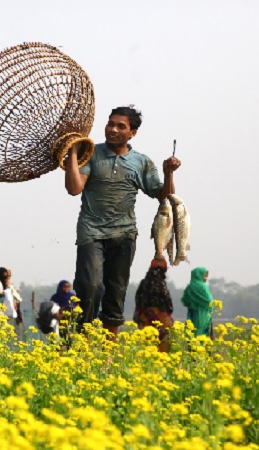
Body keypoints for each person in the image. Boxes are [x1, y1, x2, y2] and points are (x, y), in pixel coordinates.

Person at [64, 105, 181, 338]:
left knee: (116, 292)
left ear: (132, 133)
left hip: (124, 234)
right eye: (110, 124)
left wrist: (169, 173)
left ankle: (109, 351)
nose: (113, 129)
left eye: (121, 126)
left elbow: (163, 196)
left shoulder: (141, 162)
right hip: (91, 232)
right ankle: (81, 342)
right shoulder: (91, 153)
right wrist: (73, 154)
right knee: (90, 287)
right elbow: (74, 188)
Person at [133, 261, 175, 352]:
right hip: (161, 319)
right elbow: (169, 306)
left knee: (148, 348)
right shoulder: (161, 284)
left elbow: (138, 301)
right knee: (163, 348)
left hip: (145, 319)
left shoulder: (143, 283)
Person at [181, 266, 213, 337]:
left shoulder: (189, 287)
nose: (206, 279)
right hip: (204, 314)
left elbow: (184, 300)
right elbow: (210, 301)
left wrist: (193, 304)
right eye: (205, 276)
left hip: (192, 314)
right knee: (201, 334)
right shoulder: (203, 287)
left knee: (191, 333)